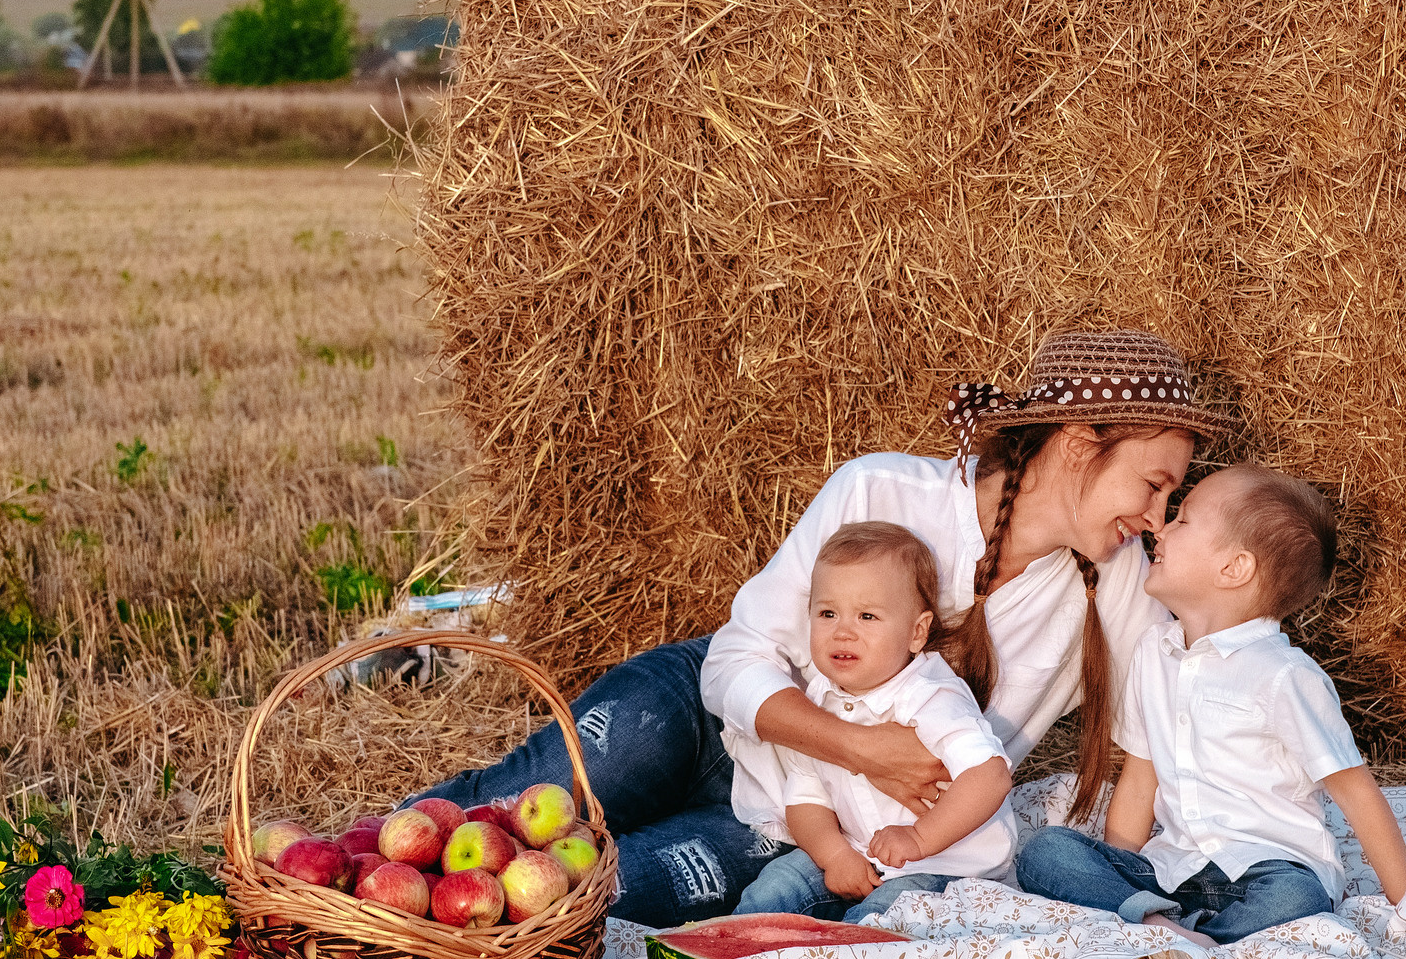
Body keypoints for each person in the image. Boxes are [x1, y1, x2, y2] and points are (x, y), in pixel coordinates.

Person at [410, 328, 1230, 926]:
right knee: (501, 808)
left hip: (788, 827)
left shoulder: (1111, 578)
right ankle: (321, 893)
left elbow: (1156, 735)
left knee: (579, 901)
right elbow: (732, 662)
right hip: (702, 718)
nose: (1158, 518)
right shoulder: (883, 491)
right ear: (1082, 440)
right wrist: (867, 749)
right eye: (1153, 485)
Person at [1015, 463, 1406, 945]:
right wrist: (1120, 870)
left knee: (1298, 902)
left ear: (1234, 568)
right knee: (1046, 851)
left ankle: (1184, 937)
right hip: (1170, 873)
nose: (1159, 528)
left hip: (1267, 871)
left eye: (1182, 520)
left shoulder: (1286, 676)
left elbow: (1357, 794)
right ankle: (1160, 925)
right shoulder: (1153, 653)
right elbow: (1141, 775)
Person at [731, 521, 1016, 922]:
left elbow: (990, 778)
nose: (843, 631)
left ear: (917, 633)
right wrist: (834, 855)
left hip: (946, 867)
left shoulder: (931, 696)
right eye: (828, 612)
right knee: (775, 885)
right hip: (857, 851)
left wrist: (920, 838)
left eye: (867, 616)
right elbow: (806, 799)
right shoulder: (817, 700)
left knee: (887, 916)